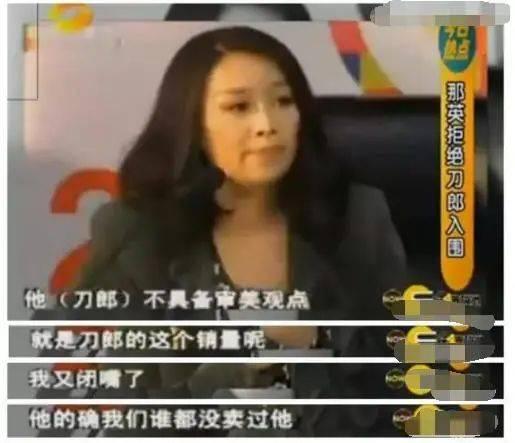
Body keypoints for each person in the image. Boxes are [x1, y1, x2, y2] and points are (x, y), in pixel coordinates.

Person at [68, 26, 406, 436]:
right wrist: (237, 365)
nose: (267, 123)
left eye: (283, 101)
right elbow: (138, 416)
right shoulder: (139, 234)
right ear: (194, 124)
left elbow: (398, 376)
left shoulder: (357, 218)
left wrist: (319, 336)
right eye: (239, 107)